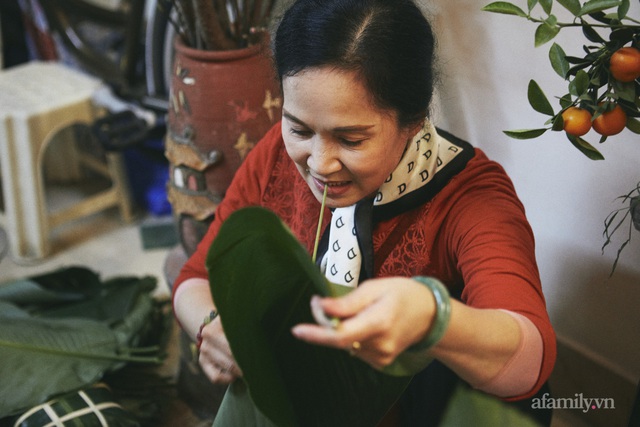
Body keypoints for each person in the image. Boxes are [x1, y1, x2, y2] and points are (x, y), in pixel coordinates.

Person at [172, 0, 557, 425]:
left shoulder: (472, 197)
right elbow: (196, 278)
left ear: (412, 121)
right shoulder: (277, 156)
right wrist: (213, 326)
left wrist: (434, 318)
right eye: (299, 128)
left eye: (351, 139)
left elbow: (528, 362)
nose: (319, 163)